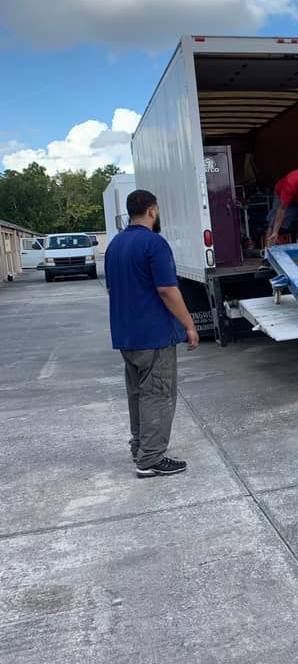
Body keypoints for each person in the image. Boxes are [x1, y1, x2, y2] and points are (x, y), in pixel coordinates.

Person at [104, 189, 199, 478]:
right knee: (158, 395)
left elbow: (111, 288)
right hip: (154, 335)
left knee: (138, 394)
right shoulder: (154, 243)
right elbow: (167, 290)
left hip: (126, 335)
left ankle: (140, 448)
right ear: (152, 211)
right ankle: (151, 459)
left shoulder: (115, 245)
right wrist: (189, 325)